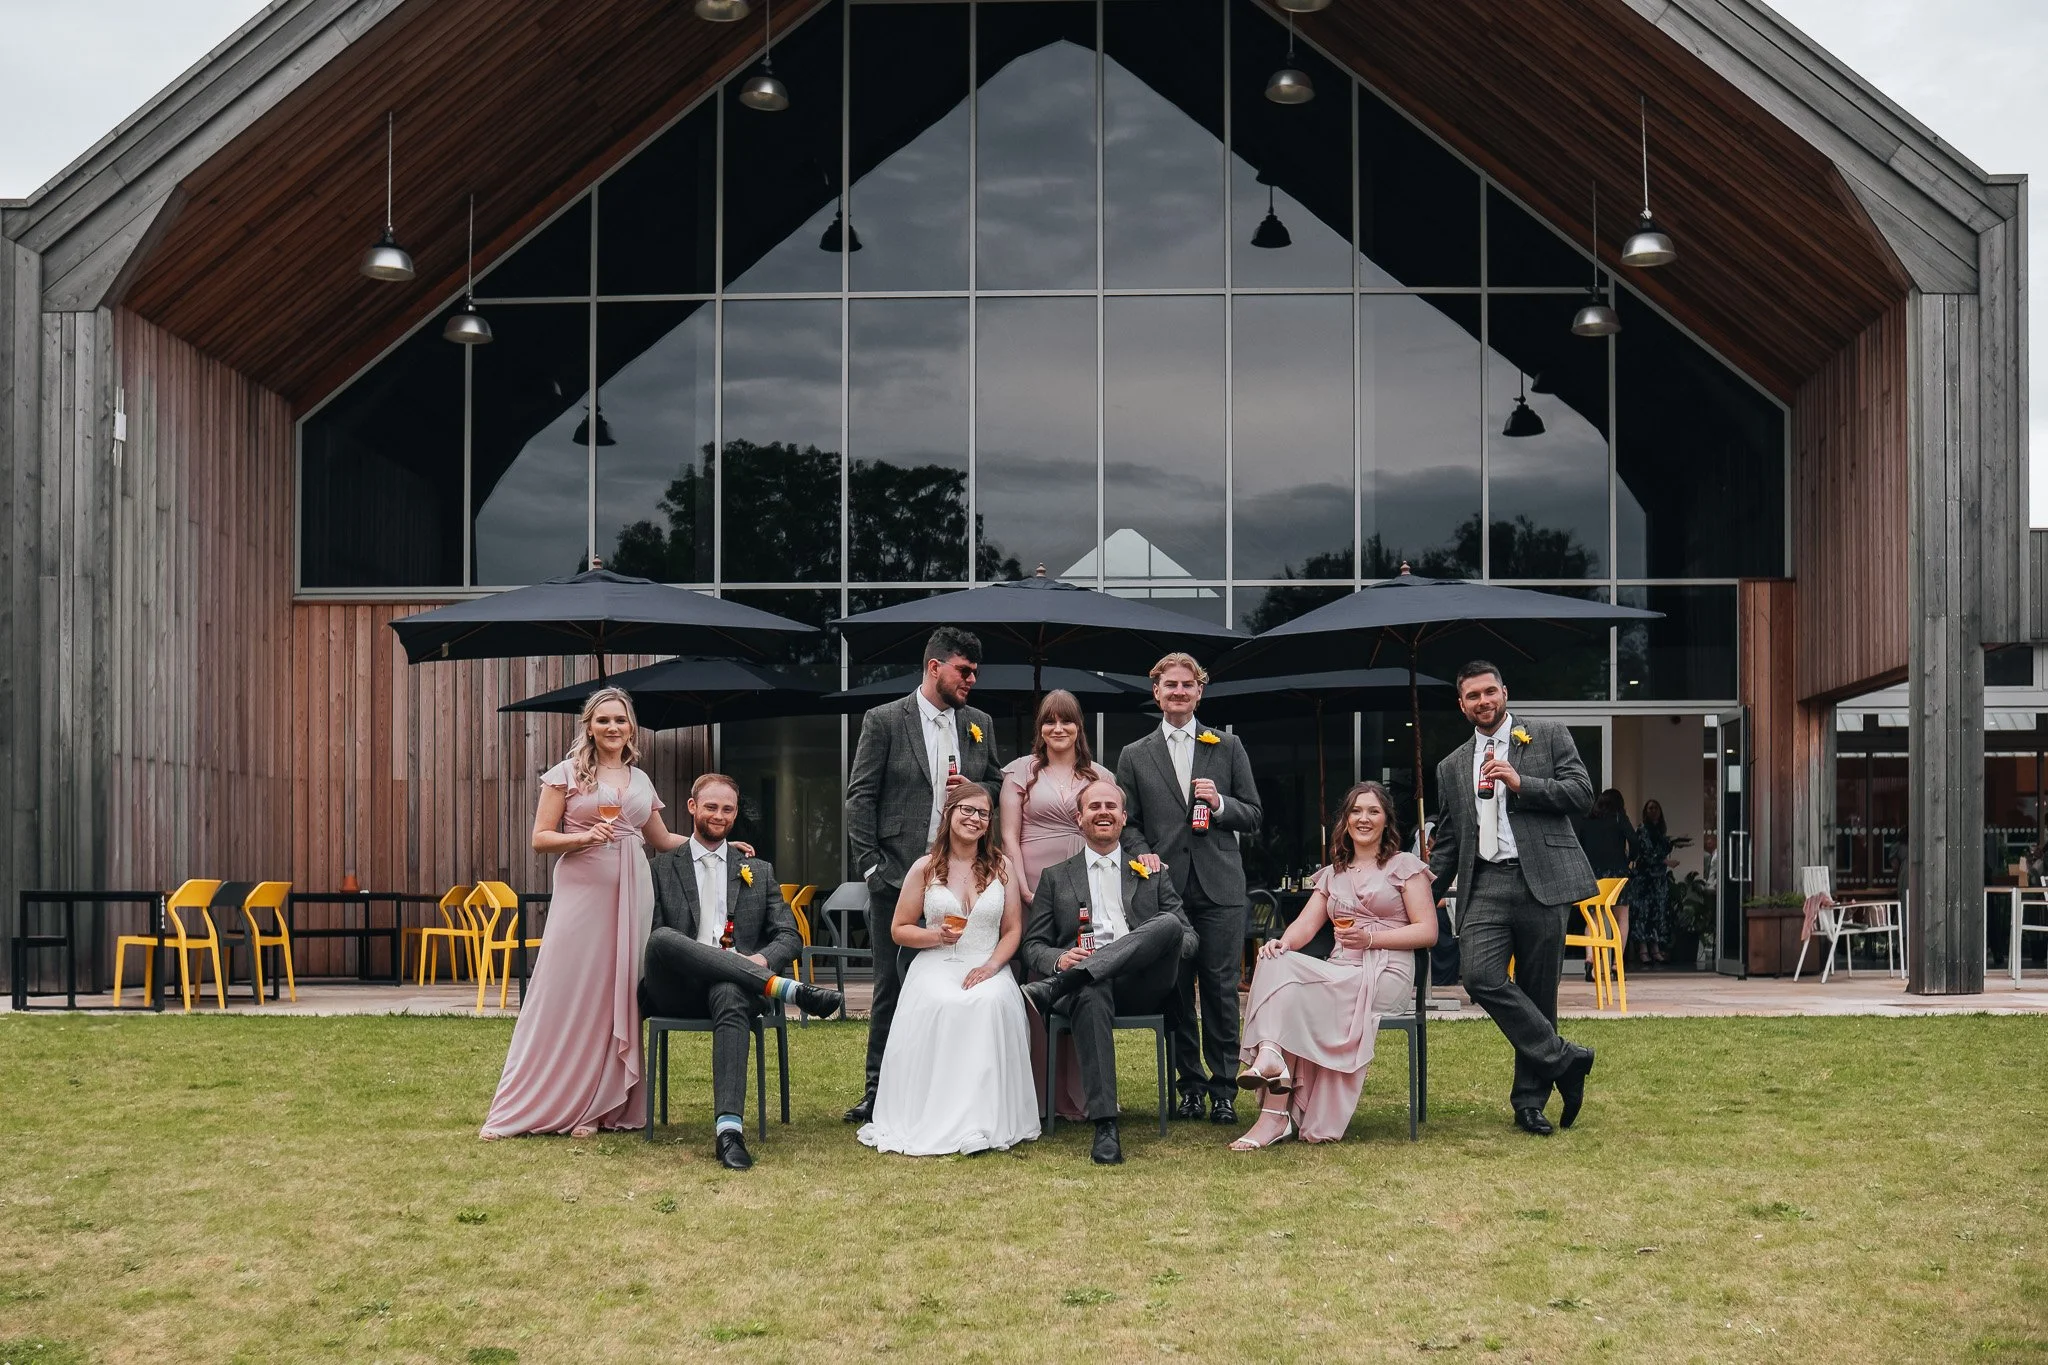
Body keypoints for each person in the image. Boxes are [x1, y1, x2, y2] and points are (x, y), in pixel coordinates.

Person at [482, 687, 690, 1139]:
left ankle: (605, 1104)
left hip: (635, 889)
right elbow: (540, 838)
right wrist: (582, 838)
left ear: (631, 726)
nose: (613, 727)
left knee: (618, 990)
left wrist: (714, 845)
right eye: (603, 720)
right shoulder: (565, 775)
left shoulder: (641, 781)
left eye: (620, 720)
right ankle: (541, 1101)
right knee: (566, 987)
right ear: (589, 727)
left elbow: (661, 840)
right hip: (582, 888)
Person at [639, 773, 844, 1170]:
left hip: (733, 986)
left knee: (731, 992)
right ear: (692, 807)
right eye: (711, 806)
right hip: (676, 987)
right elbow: (649, 939)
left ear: (736, 815)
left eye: (728, 809)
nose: (719, 815)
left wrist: (763, 959)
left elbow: (789, 934)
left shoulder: (759, 871)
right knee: (663, 937)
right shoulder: (661, 868)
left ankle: (728, 1132)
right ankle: (788, 990)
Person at [1427, 661, 1597, 1136]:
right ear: (1461, 706)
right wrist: (1422, 895)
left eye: (1489, 692)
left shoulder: (1546, 735)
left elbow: (1583, 794)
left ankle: (1529, 1103)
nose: (1483, 701)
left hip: (1543, 878)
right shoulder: (1451, 766)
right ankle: (1565, 1059)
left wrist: (1524, 784)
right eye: (1472, 696)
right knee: (1478, 975)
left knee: (1540, 992)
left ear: (1505, 692)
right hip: (1485, 883)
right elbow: (1448, 842)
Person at [842, 627, 1002, 1124]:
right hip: (900, 877)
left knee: (956, 982)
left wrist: (974, 786)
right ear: (934, 667)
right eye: (964, 670)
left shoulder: (979, 722)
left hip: (964, 878)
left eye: (975, 672)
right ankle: (878, 1091)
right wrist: (872, 868)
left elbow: (994, 782)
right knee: (892, 984)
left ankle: (947, 1091)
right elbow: (860, 797)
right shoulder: (885, 720)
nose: (971, 680)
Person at [1231, 781, 1438, 1149]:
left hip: (1385, 972)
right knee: (1275, 961)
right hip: (1341, 969)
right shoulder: (1333, 872)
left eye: (1373, 811)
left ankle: (1274, 1102)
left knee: (1291, 995)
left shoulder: (1405, 866)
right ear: (1345, 820)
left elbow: (1428, 931)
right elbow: (1306, 925)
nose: (1364, 818)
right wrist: (1283, 942)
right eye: (1356, 811)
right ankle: (1272, 1076)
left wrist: (1371, 939)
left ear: (1386, 820)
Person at [1115, 652, 1263, 1126]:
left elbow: (1255, 815)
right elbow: (1128, 824)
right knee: (1175, 989)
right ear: (1155, 691)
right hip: (1164, 890)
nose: (1178, 692)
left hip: (1220, 885)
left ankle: (1224, 1090)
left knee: (1221, 989)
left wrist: (1221, 805)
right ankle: (1189, 1088)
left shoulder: (1228, 745)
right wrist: (1143, 856)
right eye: (1169, 685)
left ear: (1200, 691)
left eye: (1187, 685)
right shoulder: (1134, 754)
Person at [1019, 780, 1198, 1164]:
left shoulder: (1153, 872)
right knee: (1090, 986)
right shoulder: (1055, 876)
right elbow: (1033, 945)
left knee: (1167, 924)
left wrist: (1147, 949)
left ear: (1123, 817)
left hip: (1143, 983)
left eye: (1111, 806)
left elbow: (1188, 938)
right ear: (1079, 818)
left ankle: (1074, 979)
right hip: (1086, 984)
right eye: (1094, 806)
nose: (1104, 811)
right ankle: (1106, 1127)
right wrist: (1058, 960)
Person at [858, 782, 1040, 1157]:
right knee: (944, 1002)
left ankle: (979, 1123)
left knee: (987, 1003)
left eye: (983, 814)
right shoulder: (925, 868)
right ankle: (936, 1114)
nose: (975, 819)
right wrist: (935, 936)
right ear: (949, 814)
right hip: (936, 961)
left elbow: (1012, 931)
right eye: (967, 811)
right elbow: (898, 929)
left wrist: (992, 966)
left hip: (986, 962)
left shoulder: (1001, 865)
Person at [1000, 688, 1098, 1121]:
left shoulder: (1099, 777)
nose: (1057, 729)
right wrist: (1021, 885)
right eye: (1049, 721)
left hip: (1081, 889)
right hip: (1030, 885)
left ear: (1079, 727)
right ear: (1040, 728)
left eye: (1066, 721)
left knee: (1075, 975)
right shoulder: (1021, 772)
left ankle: (1073, 1096)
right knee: (1032, 981)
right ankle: (1032, 1096)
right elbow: (1007, 835)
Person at [1573, 788, 1636, 980]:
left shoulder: (1587, 821)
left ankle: (1590, 959)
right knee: (1621, 918)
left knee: (1593, 917)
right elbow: (1635, 842)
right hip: (1617, 874)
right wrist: (1629, 860)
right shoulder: (1619, 819)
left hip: (1593, 874)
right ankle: (1617, 964)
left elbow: (1578, 846)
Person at [1628, 799, 1680, 966]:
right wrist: (1666, 862)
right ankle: (1643, 950)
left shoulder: (1660, 831)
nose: (1653, 811)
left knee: (1658, 914)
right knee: (1643, 915)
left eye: (1656, 808)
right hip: (1645, 880)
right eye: (1650, 808)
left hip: (1659, 881)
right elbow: (1646, 853)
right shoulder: (1642, 830)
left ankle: (1655, 949)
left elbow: (1662, 848)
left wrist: (1673, 843)